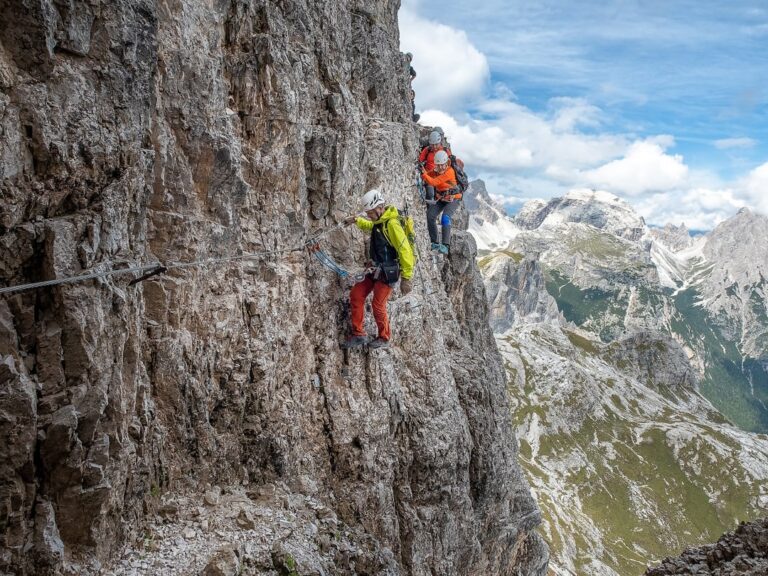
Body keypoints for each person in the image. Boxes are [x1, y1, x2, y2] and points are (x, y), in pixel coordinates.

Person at [342, 189, 414, 349]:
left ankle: (384, 337)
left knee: (378, 304)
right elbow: (370, 225)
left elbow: (405, 250)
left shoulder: (392, 224)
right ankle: (358, 334)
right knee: (356, 294)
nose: (368, 216)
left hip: (387, 273)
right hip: (374, 269)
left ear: (378, 208)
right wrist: (356, 220)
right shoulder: (380, 220)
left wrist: (407, 277)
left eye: (370, 213)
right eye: (367, 213)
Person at [420, 150, 461, 254]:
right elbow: (428, 175)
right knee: (430, 216)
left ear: (446, 162)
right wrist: (422, 172)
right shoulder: (436, 170)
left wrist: (424, 174)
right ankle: (435, 242)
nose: (441, 167)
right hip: (442, 198)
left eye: (443, 165)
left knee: (445, 218)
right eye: (439, 165)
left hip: (454, 198)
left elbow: (433, 182)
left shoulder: (449, 172)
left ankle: (445, 245)